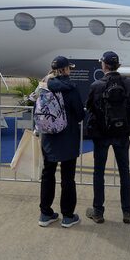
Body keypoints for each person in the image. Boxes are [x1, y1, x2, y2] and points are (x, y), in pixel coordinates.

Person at [85, 51, 130, 224]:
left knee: (99, 172)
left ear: (104, 65)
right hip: (122, 134)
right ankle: (127, 212)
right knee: (124, 172)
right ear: (118, 65)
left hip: (102, 135)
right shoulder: (129, 83)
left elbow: (90, 108)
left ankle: (98, 211)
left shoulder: (96, 85)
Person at [37, 56, 85, 228]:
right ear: (65, 70)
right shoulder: (71, 89)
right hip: (68, 139)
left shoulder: (44, 86)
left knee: (47, 174)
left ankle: (45, 214)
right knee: (68, 178)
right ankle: (68, 216)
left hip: (49, 138)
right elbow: (80, 114)